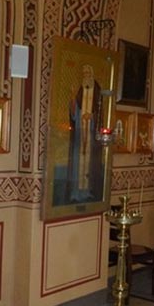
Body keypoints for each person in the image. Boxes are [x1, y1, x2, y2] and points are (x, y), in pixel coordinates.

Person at [67, 64, 102, 203]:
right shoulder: (81, 89)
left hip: (91, 130)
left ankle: (87, 191)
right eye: (84, 73)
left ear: (91, 73)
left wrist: (92, 116)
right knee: (78, 159)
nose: (85, 75)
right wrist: (72, 99)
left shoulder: (97, 89)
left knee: (89, 160)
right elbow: (75, 112)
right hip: (79, 130)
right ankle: (76, 192)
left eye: (88, 72)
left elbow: (100, 111)